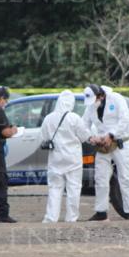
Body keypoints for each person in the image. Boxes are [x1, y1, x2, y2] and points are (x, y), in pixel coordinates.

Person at [82, 84, 129, 221]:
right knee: (100, 177)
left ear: (101, 95)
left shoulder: (116, 99)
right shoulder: (90, 106)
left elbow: (125, 119)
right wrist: (91, 138)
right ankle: (101, 212)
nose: (93, 103)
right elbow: (84, 125)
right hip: (103, 146)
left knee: (125, 176)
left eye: (95, 100)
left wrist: (111, 135)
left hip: (121, 142)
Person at [41, 90, 92, 223]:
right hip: (73, 159)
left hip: (55, 159)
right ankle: (71, 218)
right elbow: (85, 136)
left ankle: (51, 218)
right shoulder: (74, 118)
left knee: (54, 188)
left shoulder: (48, 118)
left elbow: (44, 138)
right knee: (74, 188)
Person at [0, 86, 18, 223]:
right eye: (5, 101)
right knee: (0, 181)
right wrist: (14, 130)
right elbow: (5, 132)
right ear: (1, 99)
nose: (5, 103)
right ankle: (2, 214)